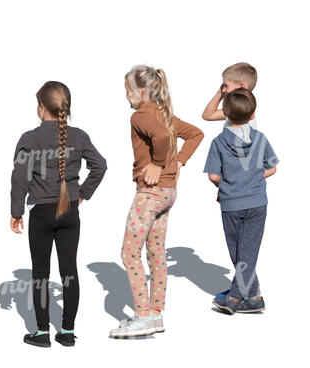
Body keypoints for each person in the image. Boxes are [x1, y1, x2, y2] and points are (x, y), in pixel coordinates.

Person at [10, 81, 107, 347]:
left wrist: (16, 211)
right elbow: (100, 166)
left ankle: (42, 334)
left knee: (40, 271)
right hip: (70, 213)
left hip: (41, 212)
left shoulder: (29, 138)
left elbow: (19, 178)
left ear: (41, 107)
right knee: (69, 271)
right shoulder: (79, 136)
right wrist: (82, 194)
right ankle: (67, 331)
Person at [109, 65, 204, 338]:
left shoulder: (140, 116)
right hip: (169, 193)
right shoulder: (164, 114)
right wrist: (178, 162)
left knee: (129, 252)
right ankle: (155, 314)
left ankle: (142, 316)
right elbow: (196, 133)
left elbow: (162, 138)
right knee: (156, 252)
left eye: (127, 91)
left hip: (150, 194)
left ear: (139, 92)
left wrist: (158, 164)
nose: (126, 96)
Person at [203, 88, 278, 314]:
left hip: (231, 204)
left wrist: (228, 183)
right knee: (246, 252)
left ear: (225, 114)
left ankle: (235, 298)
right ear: (253, 115)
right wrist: (252, 177)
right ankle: (254, 297)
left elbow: (213, 176)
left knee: (240, 251)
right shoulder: (261, 138)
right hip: (257, 203)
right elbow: (272, 167)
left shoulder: (218, 142)